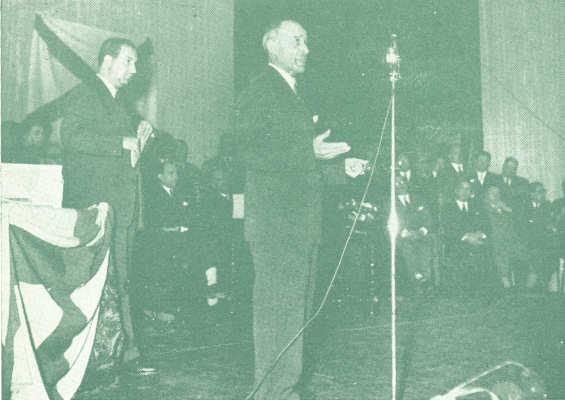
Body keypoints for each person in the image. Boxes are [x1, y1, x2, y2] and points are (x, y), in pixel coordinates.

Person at [235, 20, 367, 400]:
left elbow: (297, 162)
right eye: (297, 41)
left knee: (294, 318)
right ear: (271, 44)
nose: (305, 49)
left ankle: (281, 392)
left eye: (306, 41)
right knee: (279, 318)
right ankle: (273, 394)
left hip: (298, 225)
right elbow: (250, 149)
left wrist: (340, 169)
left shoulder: (292, 94)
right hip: (278, 225)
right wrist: (308, 150)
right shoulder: (262, 88)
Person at [60, 37, 154, 371]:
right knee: (99, 283)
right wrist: (121, 141)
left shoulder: (119, 102)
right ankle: (105, 356)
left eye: (135, 62)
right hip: (97, 208)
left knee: (121, 280)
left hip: (121, 208)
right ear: (106, 61)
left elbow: (129, 147)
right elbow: (70, 137)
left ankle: (124, 351)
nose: (134, 69)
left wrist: (141, 131)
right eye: (128, 61)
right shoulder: (85, 93)